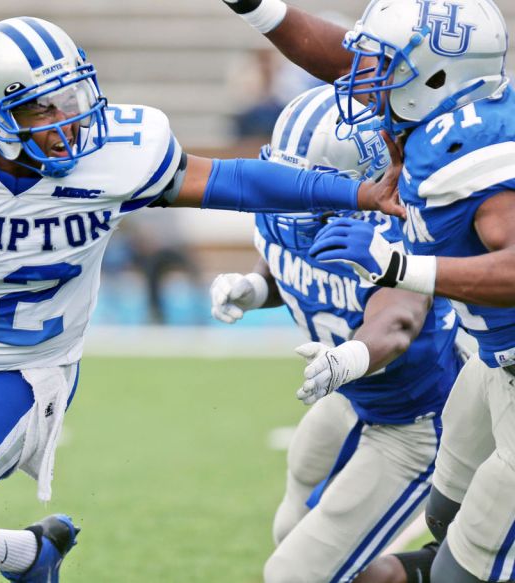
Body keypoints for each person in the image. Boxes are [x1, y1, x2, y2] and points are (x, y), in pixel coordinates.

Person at [0, 17, 402, 583]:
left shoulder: (117, 158)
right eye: (42, 109)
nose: (68, 119)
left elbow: (230, 179)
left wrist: (352, 194)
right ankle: (28, 554)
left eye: (71, 96)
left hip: (22, 373)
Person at [221, 0, 515, 581]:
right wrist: (257, 8)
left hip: (482, 376)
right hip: (487, 363)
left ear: (432, 76)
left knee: (471, 562)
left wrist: (402, 268)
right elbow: (341, 58)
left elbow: (413, 304)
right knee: (445, 519)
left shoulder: (477, 153)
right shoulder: (435, 117)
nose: (360, 78)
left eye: (384, 65)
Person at [210, 85, 461, 583]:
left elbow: (397, 322)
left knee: (295, 573)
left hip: (414, 420)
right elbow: (292, 266)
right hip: (351, 395)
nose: (290, 194)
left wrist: (350, 358)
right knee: (293, 524)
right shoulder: (286, 215)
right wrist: (256, 288)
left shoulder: (392, 231)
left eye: (308, 181)